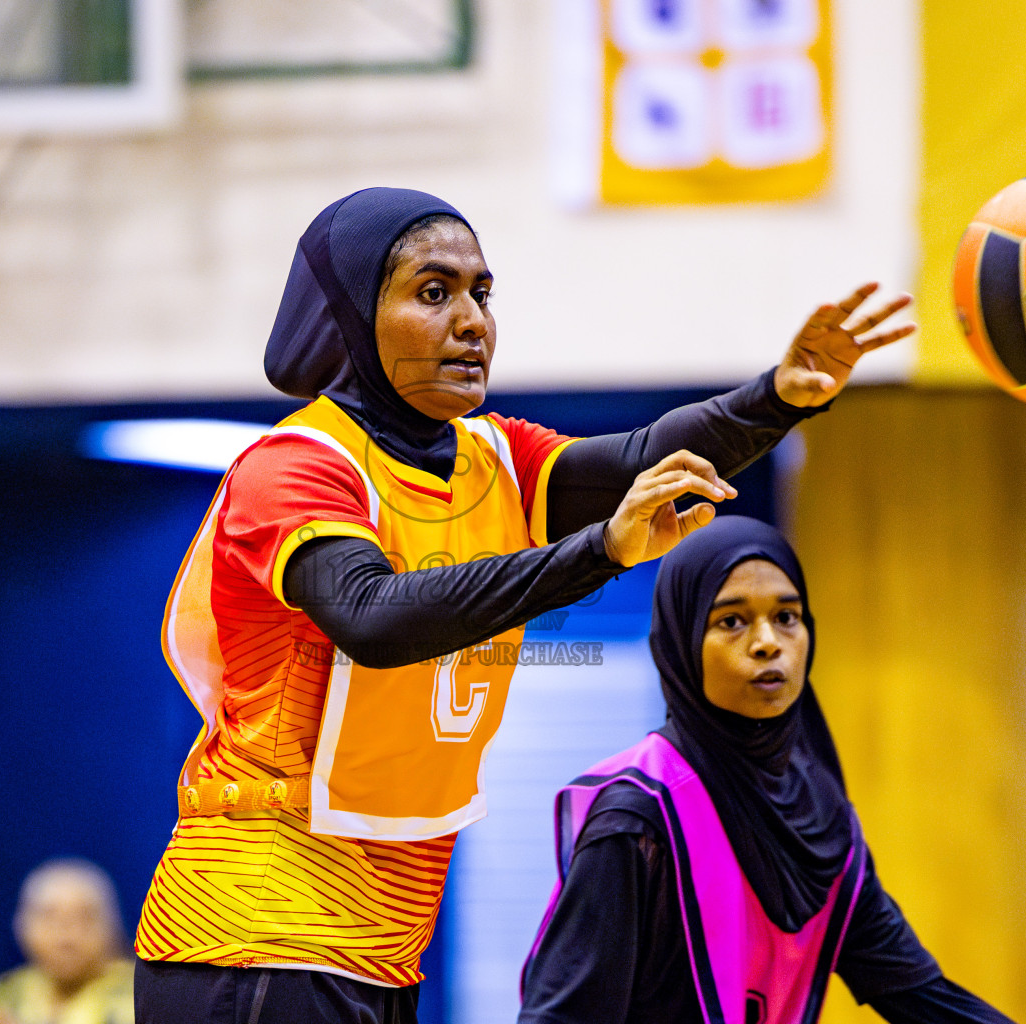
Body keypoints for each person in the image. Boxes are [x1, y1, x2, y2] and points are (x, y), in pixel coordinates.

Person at [133, 187, 913, 1024]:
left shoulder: (496, 456)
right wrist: (600, 551)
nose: (472, 320)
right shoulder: (294, 466)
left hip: (382, 946)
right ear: (354, 315)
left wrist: (781, 396)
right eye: (433, 293)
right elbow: (375, 618)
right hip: (249, 930)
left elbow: (649, 457)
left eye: (481, 293)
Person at [518, 517, 1014, 1024]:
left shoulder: (820, 817)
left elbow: (923, 999)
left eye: (786, 617)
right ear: (682, 641)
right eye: (731, 621)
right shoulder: (637, 815)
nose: (766, 642)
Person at [0, 861, 132, 1024]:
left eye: (85, 919)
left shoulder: (138, 996)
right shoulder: (6, 992)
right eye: (49, 918)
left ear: (113, 926)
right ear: (21, 926)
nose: (66, 939)